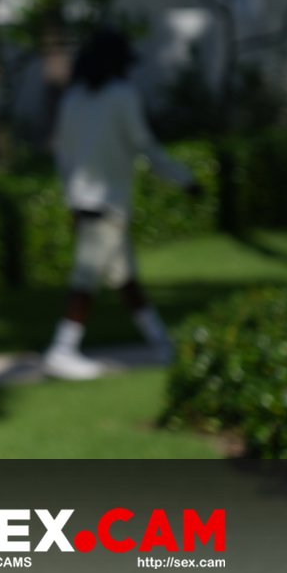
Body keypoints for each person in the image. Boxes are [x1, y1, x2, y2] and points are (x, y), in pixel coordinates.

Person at [42, 29, 195, 380]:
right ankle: (61, 350)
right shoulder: (122, 96)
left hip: (86, 204)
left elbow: (64, 157)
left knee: (124, 279)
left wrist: (71, 200)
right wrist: (185, 179)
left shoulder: (73, 99)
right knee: (86, 281)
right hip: (106, 206)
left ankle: (161, 342)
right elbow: (146, 147)